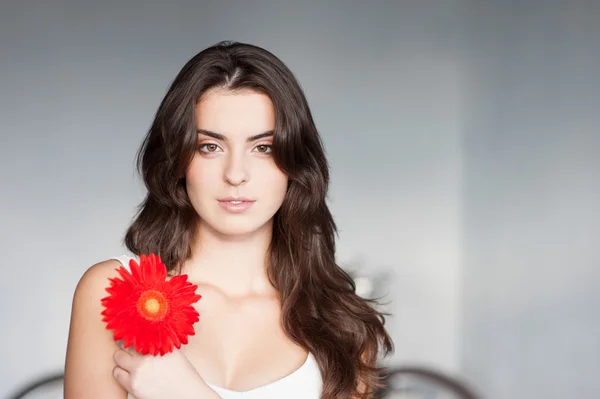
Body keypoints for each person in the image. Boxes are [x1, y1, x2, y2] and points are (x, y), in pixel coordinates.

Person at [64, 41, 393, 399]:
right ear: (178, 160)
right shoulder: (114, 290)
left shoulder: (340, 324)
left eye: (263, 148)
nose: (236, 174)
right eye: (210, 147)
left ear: (295, 164)